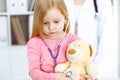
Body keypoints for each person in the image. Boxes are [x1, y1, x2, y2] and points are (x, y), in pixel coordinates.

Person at [27, 0, 95, 80]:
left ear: (66, 18)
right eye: (45, 23)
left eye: (56, 22)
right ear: (38, 21)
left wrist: (88, 77)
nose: (51, 27)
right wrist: (55, 77)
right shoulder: (34, 43)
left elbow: (84, 63)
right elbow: (34, 72)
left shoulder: (74, 41)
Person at [64, 0, 118, 79]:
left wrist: (93, 74)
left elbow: (107, 44)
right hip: (63, 71)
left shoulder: (102, 2)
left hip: (92, 71)